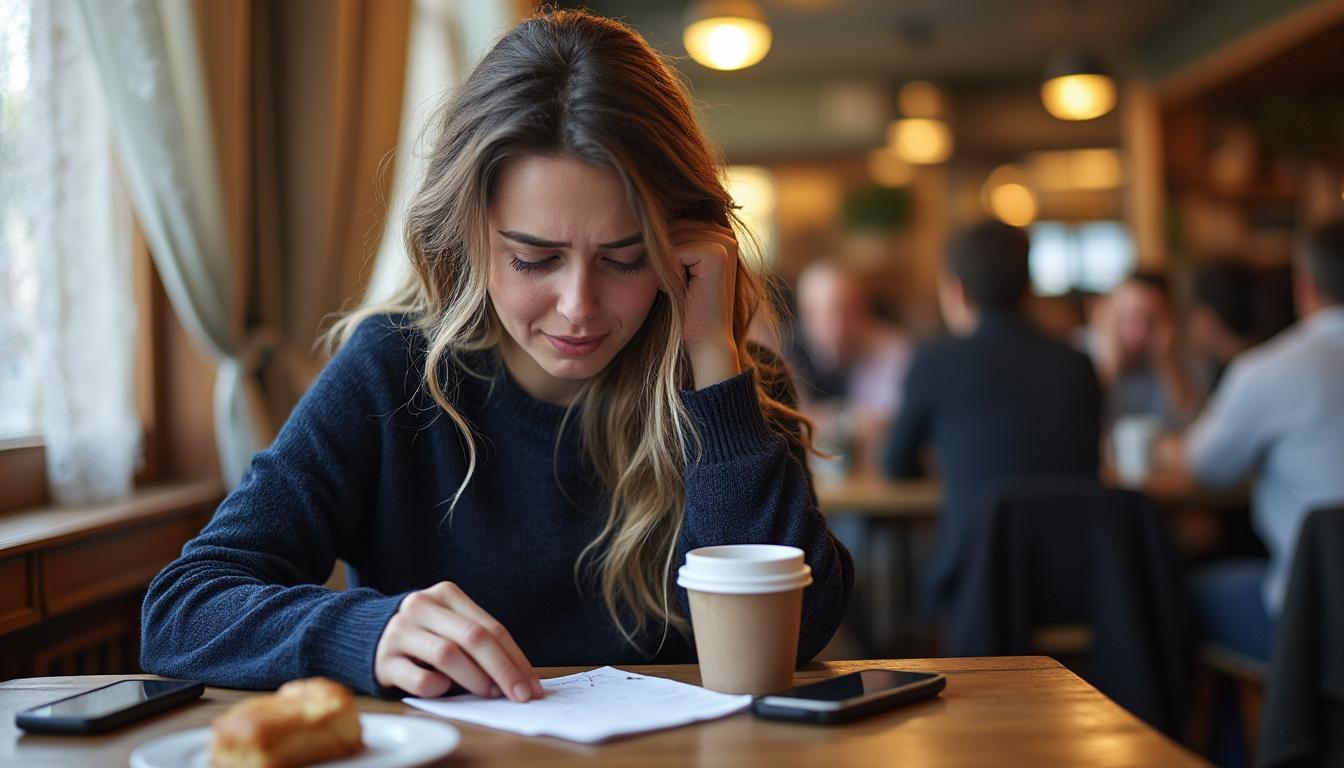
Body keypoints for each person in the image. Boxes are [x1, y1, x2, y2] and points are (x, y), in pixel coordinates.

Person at [140, 9, 852, 702]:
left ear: (688, 251)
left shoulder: (726, 385)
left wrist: (710, 357)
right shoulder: (393, 371)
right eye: (534, 259)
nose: (579, 305)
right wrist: (368, 632)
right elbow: (182, 611)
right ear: (469, 238)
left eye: (626, 259)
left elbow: (798, 636)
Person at [881, 220, 1101, 615]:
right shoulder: (1077, 365)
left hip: (975, 584)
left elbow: (896, 465)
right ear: (1030, 288)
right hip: (1079, 582)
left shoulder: (936, 362)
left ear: (957, 290)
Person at [1157, 217, 1344, 662]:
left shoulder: (1269, 370)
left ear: (1306, 287)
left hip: (1313, 620)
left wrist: (1165, 448)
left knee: (1174, 598)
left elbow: (1202, 464)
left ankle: (1258, 732)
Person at [787, 259, 911, 475]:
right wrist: (851, 421)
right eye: (823, 312)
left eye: (847, 309)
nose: (838, 324)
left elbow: (896, 423)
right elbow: (788, 425)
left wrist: (822, 421)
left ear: (864, 309)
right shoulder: (785, 350)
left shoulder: (894, 349)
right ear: (805, 317)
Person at [1087, 272, 1200, 428]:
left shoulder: (1180, 359)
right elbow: (1081, 420)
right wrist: (1110, 361)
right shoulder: (1079, 355)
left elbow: (1191, 423)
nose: (1141, 331)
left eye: (1152, 320)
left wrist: (1166, 362)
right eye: (1130, 317)